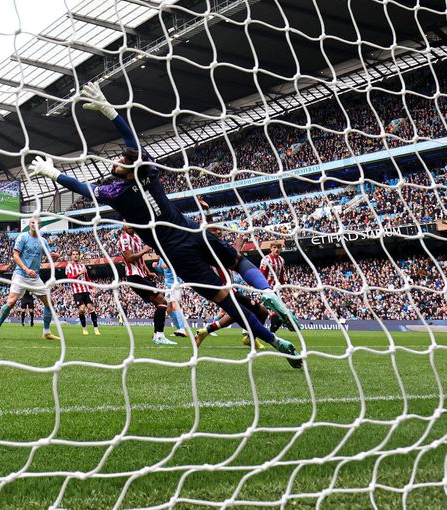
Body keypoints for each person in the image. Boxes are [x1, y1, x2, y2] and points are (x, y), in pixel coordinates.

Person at [26, 83, 301, 367]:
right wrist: (110, 111)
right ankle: (268, 294)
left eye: (121, 160)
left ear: (128, 168)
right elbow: (131, 141)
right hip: (192, 231)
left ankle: (275, 341)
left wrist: (53, 173)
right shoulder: (149, 174)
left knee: (226, 301)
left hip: (177, 253)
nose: (117, 161)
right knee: (239, 262)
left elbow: (82, 187)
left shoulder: (115, 195)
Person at [0, 218, 59, 342]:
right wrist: (26, 269)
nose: (34, 224)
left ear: (40, 225)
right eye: (32, 222)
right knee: (11, 302)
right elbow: (15, 256)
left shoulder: (43, 241)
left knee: (49, 303)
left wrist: (55, 256)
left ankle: (46, 332)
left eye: (37, 223)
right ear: (29, 224)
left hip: (35, 277)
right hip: (21, 274)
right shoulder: (22, 237)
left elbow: (50, 258)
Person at [118, 226, 175, 346]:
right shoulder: (124, 238)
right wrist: (144, 250)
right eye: (125, 223)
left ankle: (157, 336)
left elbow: (140, 259)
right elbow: (129, 258)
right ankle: (159, 336)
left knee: (160, 303)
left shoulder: (137, 238)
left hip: (142, 276)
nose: (128, 225)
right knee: (162, 302)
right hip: (134, 277)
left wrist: (148, 272)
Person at [64, 249, 100, 335]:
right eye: (73, 254)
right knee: (82, 309)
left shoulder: (83, 266)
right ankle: (84, 328)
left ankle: (96, 328)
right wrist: (80, 273)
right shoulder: (69, 267)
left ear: (79, 255)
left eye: (77, 254)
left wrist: (92, 287)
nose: (75, 255)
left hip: (86, 290)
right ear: (71, 256)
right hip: (77, 292)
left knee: (91, 308)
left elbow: (87, 278)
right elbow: (69, 278)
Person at [155, 256, 188, 338]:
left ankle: (182, 329)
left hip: (175, 284)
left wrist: (169, 265)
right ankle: (179, 329)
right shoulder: (161, 258)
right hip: (168, 286)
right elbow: (163, 271)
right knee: (168, 309)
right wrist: (156, 267)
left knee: (175, 305)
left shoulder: (171, 253)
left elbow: (179, 266)